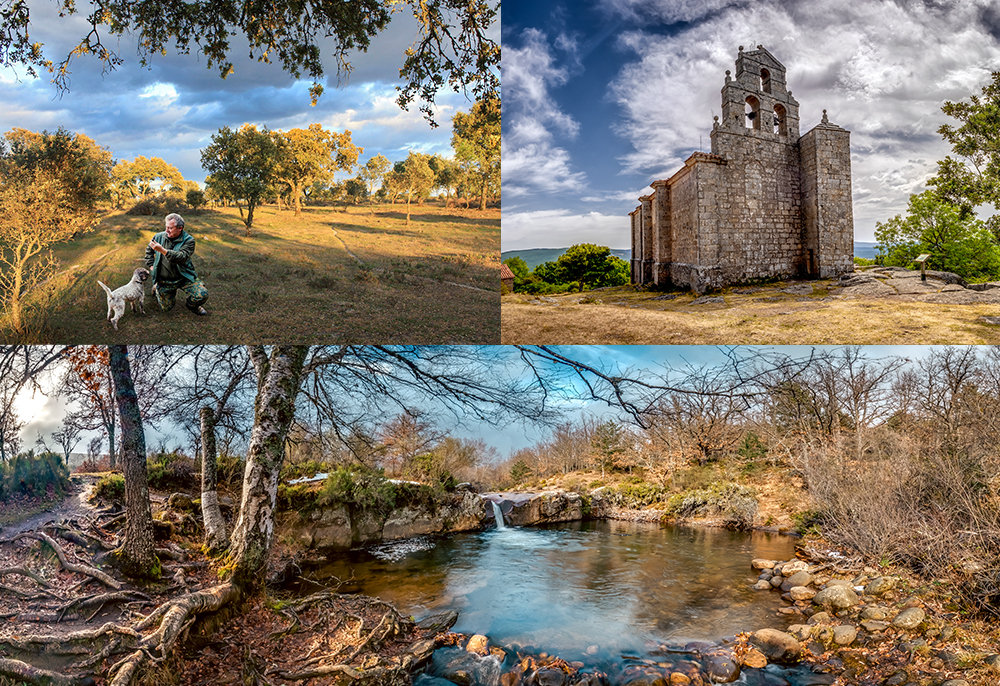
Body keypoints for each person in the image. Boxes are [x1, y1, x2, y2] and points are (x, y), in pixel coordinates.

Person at [144, 213, 209, 316]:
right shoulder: (158, 236)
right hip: (165, 280)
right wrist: (152, 266)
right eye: (166, 227)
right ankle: (157, 287)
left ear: (180, 228)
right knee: (166, 308)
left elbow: (182, 257)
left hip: (184, 277)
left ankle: (193, 306)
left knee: (202, 294)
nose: (167, 230)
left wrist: (163, 250)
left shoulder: (189, 240)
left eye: (170, 228)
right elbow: (149, 252)